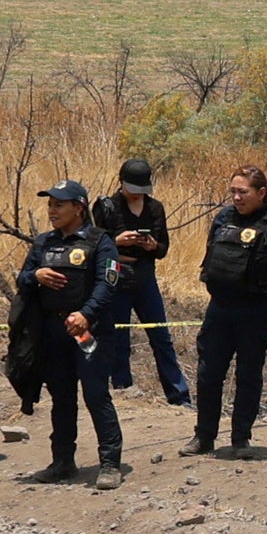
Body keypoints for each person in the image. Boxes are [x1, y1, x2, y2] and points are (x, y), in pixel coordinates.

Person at [15, 181, 122, 489]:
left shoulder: (100, 241)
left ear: (79, 207)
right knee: (61, 398)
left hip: (90, 332)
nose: (52, 211)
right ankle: (63, 462)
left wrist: (85, 314)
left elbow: (108, 283)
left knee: (95, 395)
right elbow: (22, 278)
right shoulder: (43, 243)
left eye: (59, 205)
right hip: (53, 333)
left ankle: (110, 464)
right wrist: (35, 275)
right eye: (50, 205)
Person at [190, 165, 267, 458]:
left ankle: (240, 439)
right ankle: (204, 437)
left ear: (261, 192)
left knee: (248, 375)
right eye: (232, 191)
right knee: (208, 374)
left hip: (256, 309)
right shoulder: (223, 218)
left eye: (243, 192)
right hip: (219, 308)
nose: (236, 197)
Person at [93, 158, 190, 409]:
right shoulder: (107, 207)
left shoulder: (155, 208)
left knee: (161, 337)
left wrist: (152, 245)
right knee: (118, 337)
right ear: (121, 184)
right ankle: (123, 390)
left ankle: (179, 396)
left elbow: (163, 248)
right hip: (117, 275)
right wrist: (117, 241)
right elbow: (95, 246)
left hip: (145, 275)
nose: (137, 196)